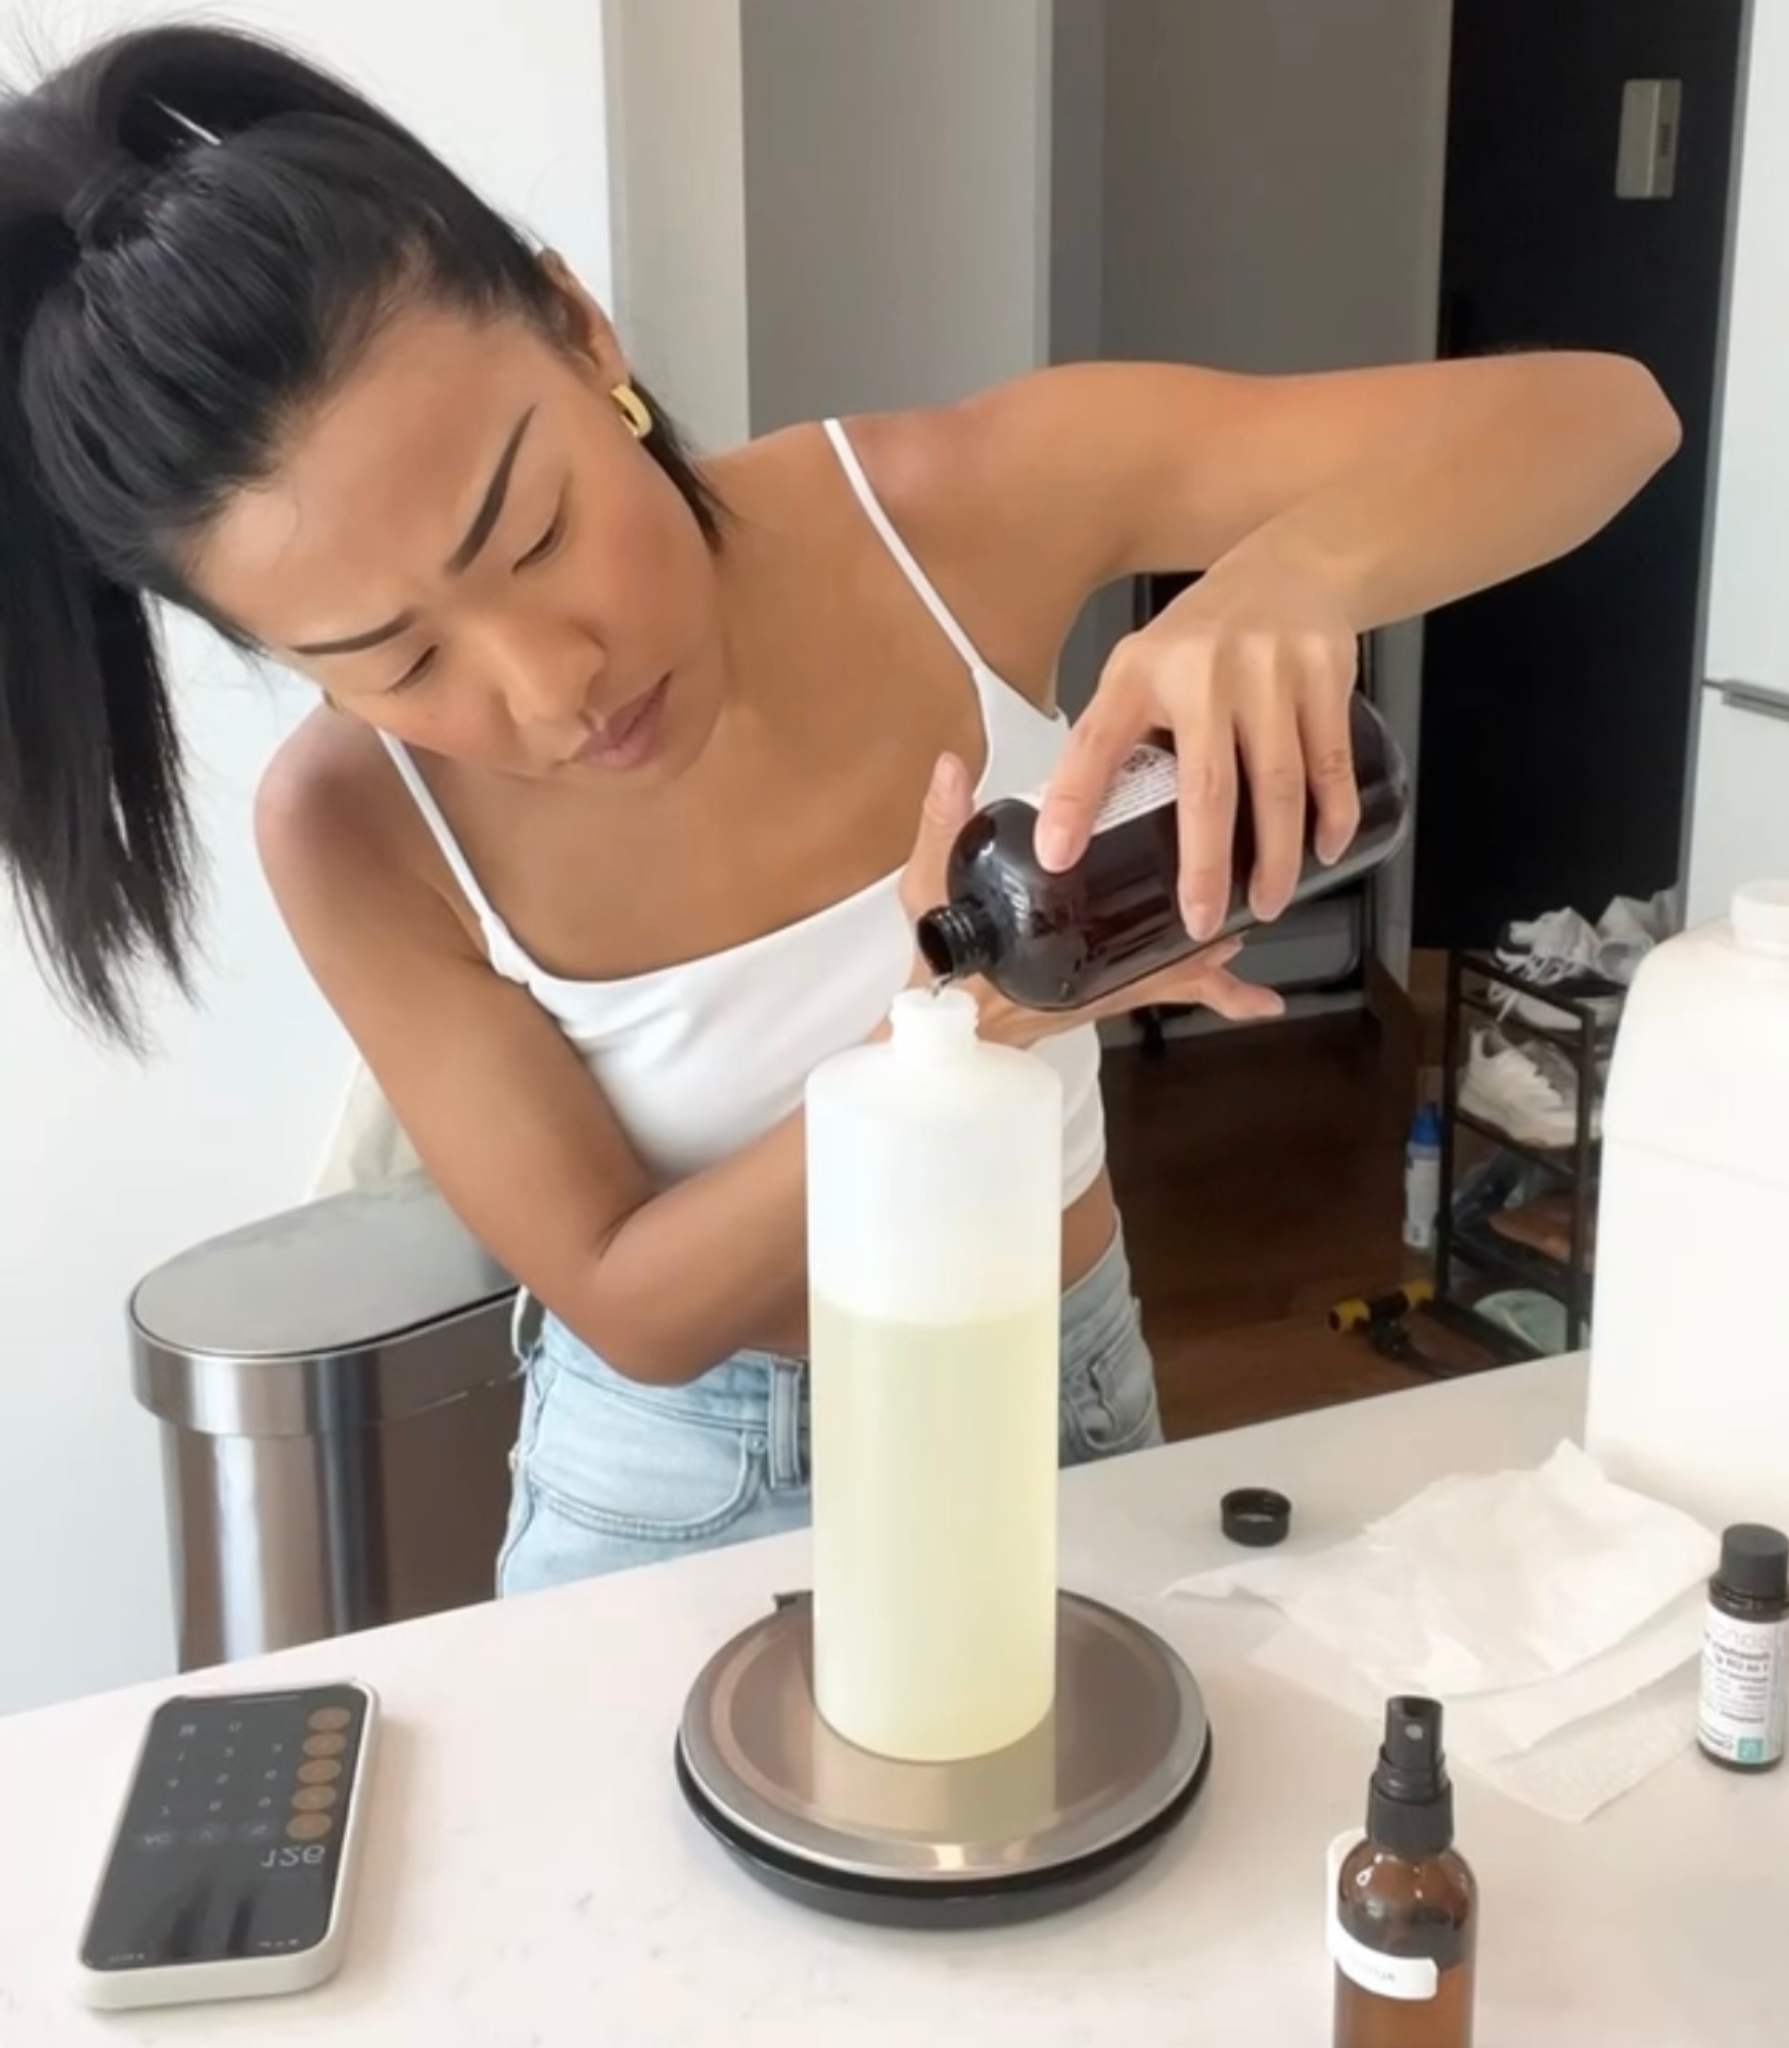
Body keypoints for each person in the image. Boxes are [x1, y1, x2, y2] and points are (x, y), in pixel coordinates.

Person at [0, 27, 1679, 1595]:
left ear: (586, 334)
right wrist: (966, 1025)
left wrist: (1306, 568)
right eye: (393, 656)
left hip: (1054, 1384)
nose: (545, 685)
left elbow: (1609, 414)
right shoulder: (354, 828)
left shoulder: (945, 510)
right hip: (672, 1484)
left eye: (531, 535)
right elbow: (633, 1299)